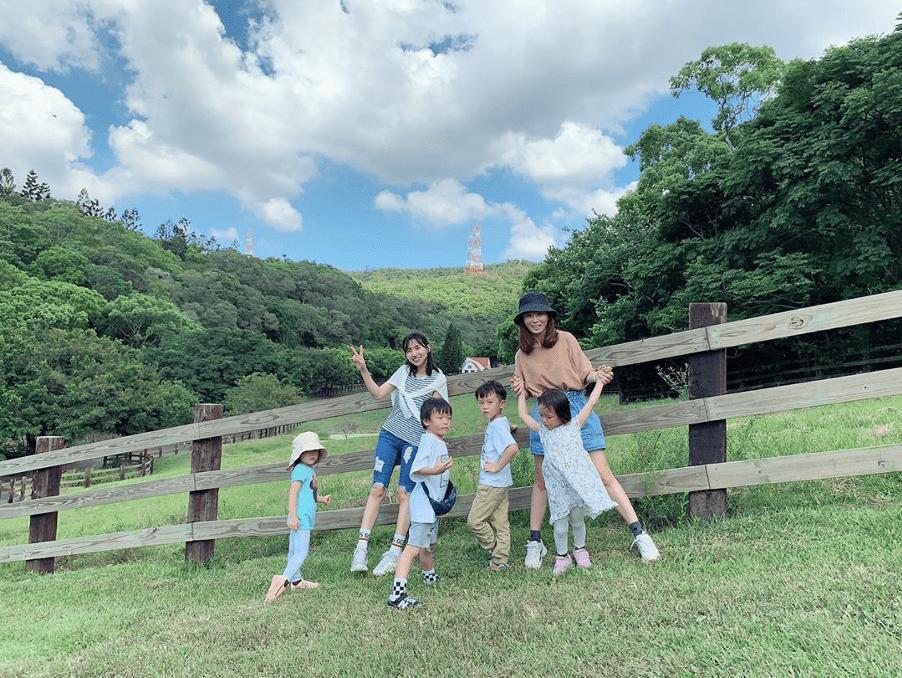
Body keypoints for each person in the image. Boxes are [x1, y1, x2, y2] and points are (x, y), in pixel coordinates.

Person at [510, 291, 660, 567]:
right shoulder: (522, 353)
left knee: (603, 476)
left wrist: (598, 376)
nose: (535, 320)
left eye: (540, 313)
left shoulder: (566, 340)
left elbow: (585, 373)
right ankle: (535, 542)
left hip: (576, 407)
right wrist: (518, 389)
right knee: (543, 481)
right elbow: (524, 390)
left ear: (549, 316)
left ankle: (640, 535)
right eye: (529, 315)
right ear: (522, 320)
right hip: (544, 416)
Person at [349, 332, 448, 576]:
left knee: (406, 493)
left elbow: (439, 417)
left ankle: (394, 552)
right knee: (377, 489)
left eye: (418, 348)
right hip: (390, 434)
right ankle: (361, 548)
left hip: (414, 442)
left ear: (427, 348)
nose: (414, 353)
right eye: (409, 350)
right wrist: (363, 369)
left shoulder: (438, 380)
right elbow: (378, 393)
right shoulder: (403, 372)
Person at [517, 377, 618, 575]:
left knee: (578, 521)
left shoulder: (574, 426)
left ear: (562, 415)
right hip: (557, 490)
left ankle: (580, 550)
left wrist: (600, 383)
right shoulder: (542, 432)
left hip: (576, 486)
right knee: (560, 526)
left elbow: (591, 403)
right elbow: (522, 414)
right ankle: (562, 557)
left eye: (548, 416)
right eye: (542, 416)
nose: (543, 420)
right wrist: (521, 392)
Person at [388, 397, 454, 610]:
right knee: (413, 548)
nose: (446, 422)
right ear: (426, 421)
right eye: (440, 417)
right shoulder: (428, 440)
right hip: (423, 505)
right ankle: (397, 595)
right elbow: (416, 469)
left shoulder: (438, 441)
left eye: (449, 418)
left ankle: (429, 576)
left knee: (427, 545)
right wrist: (435, 471)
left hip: (431, 506)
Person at [265, 431, 333, 601]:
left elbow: (307, 495)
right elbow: (293, 494)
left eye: (315, 451)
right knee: (301, 553)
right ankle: (282, 580)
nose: (312, 454)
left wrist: (322, 499)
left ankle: (296, 581)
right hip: (300, 519)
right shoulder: (301, 470)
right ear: (298, 454)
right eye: (307, 451)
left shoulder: (307, 471)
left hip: (303, 518)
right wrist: (293, 517)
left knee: (294, 551)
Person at [467, 380, 519, 571]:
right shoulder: (500, 422)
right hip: (501, 483)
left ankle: (495, 548)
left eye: (490, 402)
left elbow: (512, 448)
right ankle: (500, 562)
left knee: (475, 521)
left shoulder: (497, 426)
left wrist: (497, 467)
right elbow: (506, 430)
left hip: (491, 483)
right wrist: (509, 427)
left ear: (502, 404)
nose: (484, 407)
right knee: (500, 523)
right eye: (481, 403)